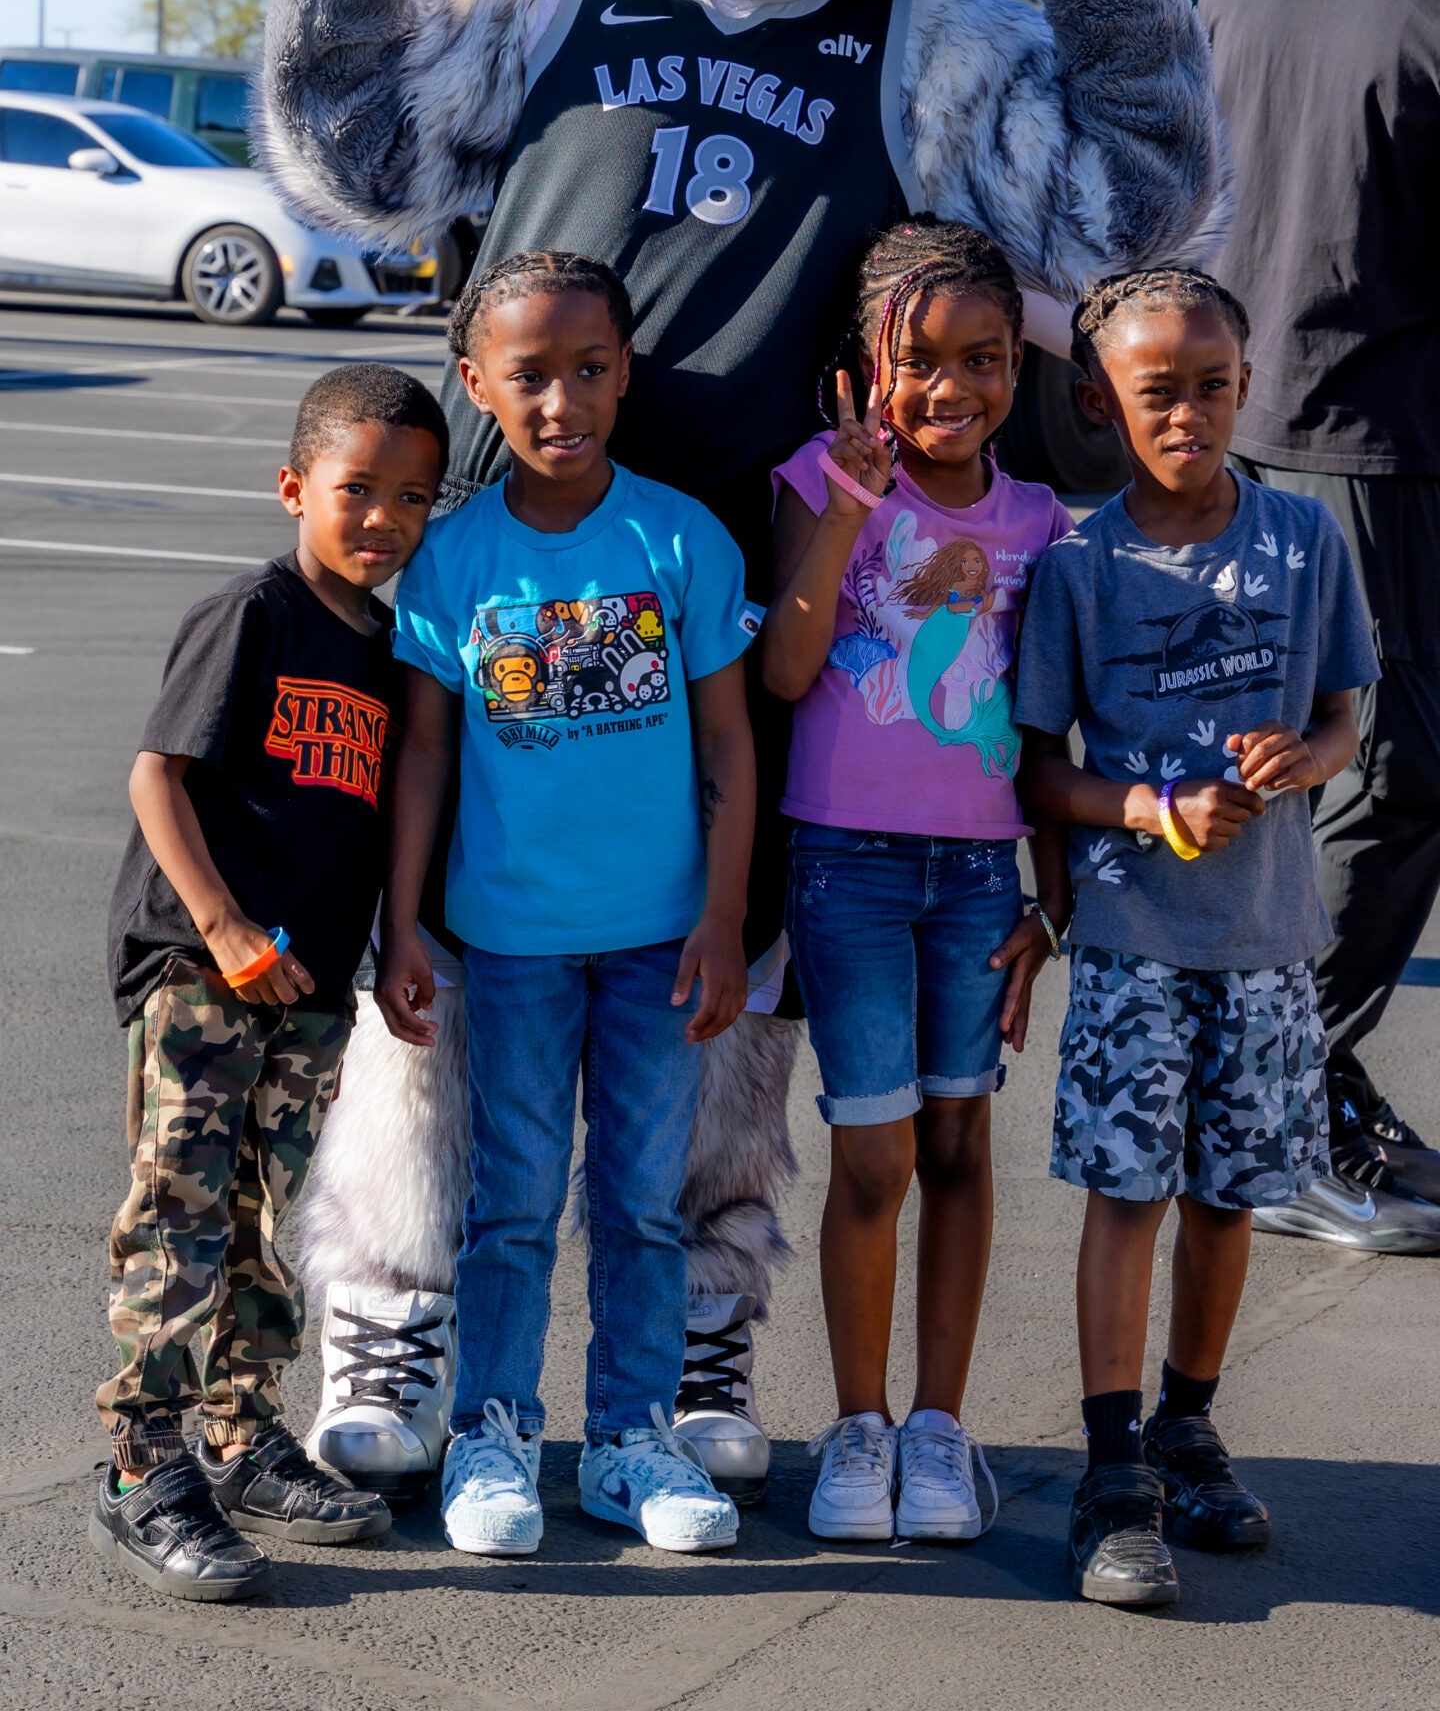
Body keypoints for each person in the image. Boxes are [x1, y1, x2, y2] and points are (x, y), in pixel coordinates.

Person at [262, 0, 1225, 1508]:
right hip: (517, 576)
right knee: (456, 974)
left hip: (768, 616)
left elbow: (1129, 206)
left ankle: (693, 1346)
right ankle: (401, 1320)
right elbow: (347, 150)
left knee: (725, 1002)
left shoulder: (929, 27)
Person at [376, 252, 757, 1558]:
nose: (561, 402)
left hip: (658, 941)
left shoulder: (678, 538)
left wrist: (722, 919)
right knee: (515, 1199)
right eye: (528, 377)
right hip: (515, 943)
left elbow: (730, 747)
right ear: (476, 385)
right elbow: (422, 750)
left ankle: (629, 1439)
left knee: (645, 1202)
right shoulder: (453, 559)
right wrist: (401, 918)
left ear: (625, 372)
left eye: (588, 370)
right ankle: (491, 1431)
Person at [1016, 269, 1377, 1609]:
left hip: (1270, 942)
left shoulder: (1303, 540)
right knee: (1131, 1194)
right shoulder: (1080, 565)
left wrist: (1302, 760)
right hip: (1130, 941)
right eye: (1156, 391)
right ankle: (1113, 1476)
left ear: (1242, 389)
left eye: (1212, 388)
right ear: (1101, 402)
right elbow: (1037, 772)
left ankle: (1188, 1426)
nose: (1188, 414)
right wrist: (1151, 807)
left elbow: (1346, 714)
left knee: (1232, 1195)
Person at [92, 364, 448, 1602]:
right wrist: (223, 921)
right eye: (358, 490)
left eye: (413, 498)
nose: (383, 521)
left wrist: (396, 942)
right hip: (202, 967)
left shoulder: (394, 651)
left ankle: (243, 1438)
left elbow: (392, 815)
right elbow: (156, 775)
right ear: (295, 486)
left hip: (310, 982)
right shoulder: (254, 610)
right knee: (182, 1213)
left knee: (267, 1219)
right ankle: (142, 1464)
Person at [764, 218, 1070, 1543]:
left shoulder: (1045, 521)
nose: (954, 389)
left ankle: (941, 1431)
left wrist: (1051, 903)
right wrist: (846, 507)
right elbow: (784, 673)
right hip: (848, 868)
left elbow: (1053, 733)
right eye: (922, 361)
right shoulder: (822, 483)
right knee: (874, 1152)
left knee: (959, 1142)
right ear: (865, 364)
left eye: (986, 360)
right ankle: (858, 1425)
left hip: (980, 881)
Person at [1201, 0, 1440, 1246]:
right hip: (1375, 447)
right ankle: (1284, 1108)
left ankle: (1295, 1089)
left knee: (1278, 765)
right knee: (1395, 772)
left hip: (1219, 438)